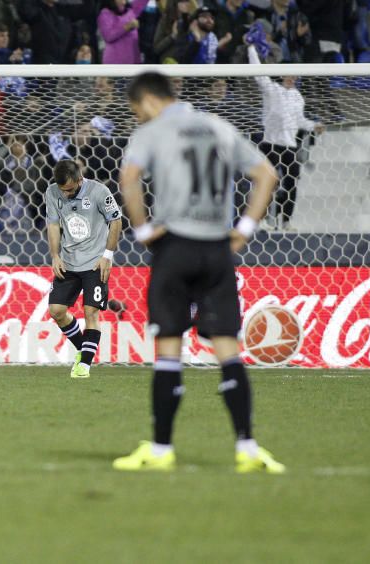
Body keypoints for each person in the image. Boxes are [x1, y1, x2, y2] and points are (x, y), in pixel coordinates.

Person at [114, 71, 283, 473]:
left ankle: (160, 451)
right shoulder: (218, 126)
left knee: (169, 350)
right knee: (227, 349)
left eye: (137, 111)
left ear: (148, 101)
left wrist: (141, 230)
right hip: (216, 249)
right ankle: (248, 448)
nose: (138, 117)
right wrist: (242, 231)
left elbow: (129, 178)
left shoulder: (153, 132)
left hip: (174, 245)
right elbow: (267, 175)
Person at [45, 159, 122, 378]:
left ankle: (84, 366)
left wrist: (107, 255)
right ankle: (84, 348)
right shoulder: (52, 193)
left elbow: (116, 221)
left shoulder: (99, 191)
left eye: (70, 189)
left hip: (95, 263)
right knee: (57, 311)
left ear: (80, 180)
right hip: (68, 262)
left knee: (91, 312)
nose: (66, 194)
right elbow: (52, 224)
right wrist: (55, 255)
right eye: (63, 190)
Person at [248, 44, 322, 230]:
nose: (291, 77)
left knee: (292, 184)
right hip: (270, 144)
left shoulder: (298, 97)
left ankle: (286, 221)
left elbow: (299, 120)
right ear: (281, 74)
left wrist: (314, 126)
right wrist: (251, 48)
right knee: (267, 183)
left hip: (289, 146)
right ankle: (262, 220)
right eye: (288, 73)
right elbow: (257, 73)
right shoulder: (271, 89)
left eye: (294, 74)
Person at [98, 0, 150, 64]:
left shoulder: (130, 10)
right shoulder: (105, 13)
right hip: (115, 61)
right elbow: (108, 36)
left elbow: (141, 2)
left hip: (134, 59)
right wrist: (127, 27)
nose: (124, 2)